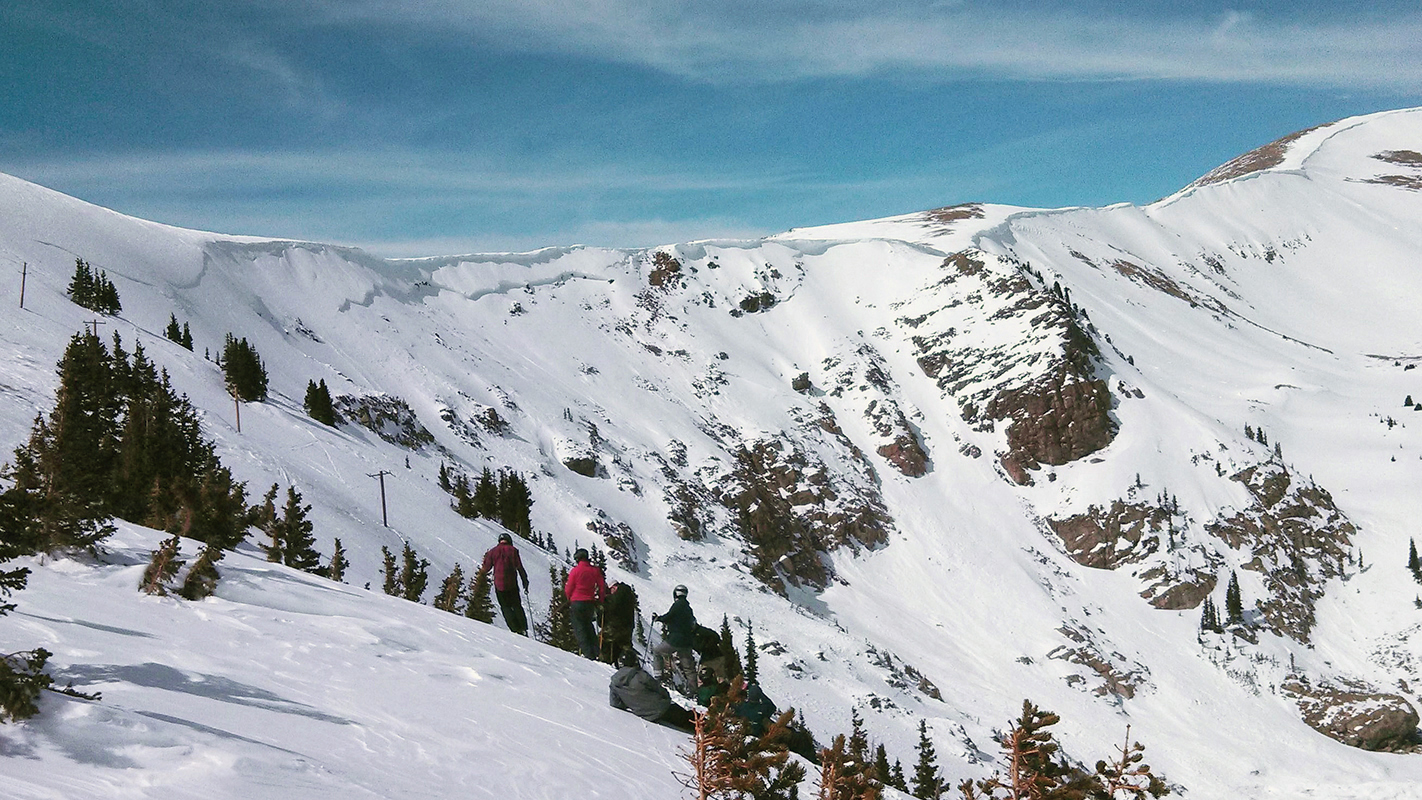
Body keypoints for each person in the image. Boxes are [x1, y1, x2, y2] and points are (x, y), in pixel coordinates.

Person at [609, 650, 695, 733]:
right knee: (688, 718)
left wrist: (631, 702)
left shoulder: (614, 683)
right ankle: (705, 727)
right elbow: (658, 689)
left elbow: (615, 703)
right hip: (661, 708)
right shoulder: (641, 675)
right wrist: (666, 699)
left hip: (644, 713)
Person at [480, 532, 530, 636]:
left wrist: (480, 579)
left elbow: (486, 568)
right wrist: (525, 581)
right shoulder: (513, 551)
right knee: (516, 605)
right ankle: (523, 628)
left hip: (499, 585)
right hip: (512, 583)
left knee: (505, 607)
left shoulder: (493, 552)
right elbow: (519, 567)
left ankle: (514, 629)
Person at [564, 548, 608, 660]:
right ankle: (596, 651)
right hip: (589, 602)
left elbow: (569, 588)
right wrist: (601, 600)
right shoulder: (595, 570)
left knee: (580, 628)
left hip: (576, 602)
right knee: (589, 626)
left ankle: (588, 654)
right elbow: (602, 587)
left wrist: (569, 598)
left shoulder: (575, 571)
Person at [651, 584, 697, 691]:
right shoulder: (688, 608)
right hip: (687, 642)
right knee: (688, 668)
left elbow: (669, 617)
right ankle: (693, 690)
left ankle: (658, 677)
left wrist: (658, 618)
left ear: (675, 593)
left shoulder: (677, 605)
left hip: (675, 639)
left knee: (657, 652)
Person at [600, 581, 638, 664]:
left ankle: (606, 663)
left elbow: (613, 604)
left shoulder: (621, 592)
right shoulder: (627, 594)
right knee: (624, 647)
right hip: (627, 626)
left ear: (614, 587)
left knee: (606, 643)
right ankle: (630, 665)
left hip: (616, 626)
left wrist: (604, 601)